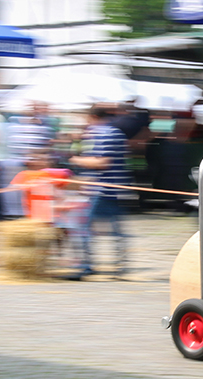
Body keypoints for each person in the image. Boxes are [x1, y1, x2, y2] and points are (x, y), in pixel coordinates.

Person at [68, 105, 131, 279]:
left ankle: (85, 266)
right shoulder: (114, 133)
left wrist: (77, 160)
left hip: (101, 189)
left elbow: (102, 163)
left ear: (92, 117)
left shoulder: (103, 134)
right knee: (115, 230)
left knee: (81, 228)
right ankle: (121, 264)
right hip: (113, 188)